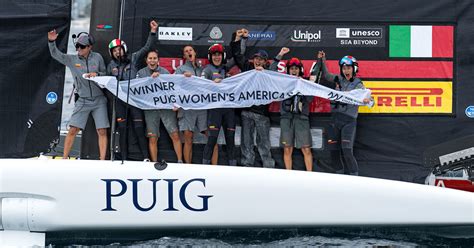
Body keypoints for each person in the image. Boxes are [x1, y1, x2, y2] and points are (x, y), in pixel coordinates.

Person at [48, 30, 109, 160]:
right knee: (73, 130)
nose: (79, 49)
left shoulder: (97, 57)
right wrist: (51, 41)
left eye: (82, 46)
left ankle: (102, 161)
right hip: (83, 100)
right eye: (77, 46)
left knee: (102, 131)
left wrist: (97, 75)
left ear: (89, 47)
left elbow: (105, 74)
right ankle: (65, 159)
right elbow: (55, 54)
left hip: (99, 100)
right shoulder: (72, 59)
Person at [311, 51, 371, 176]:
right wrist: (322, 59)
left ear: (354, 68)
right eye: (344, 68)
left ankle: (354, 177)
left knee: (347, 151)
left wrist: (367, 100)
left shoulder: (358, 84)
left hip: (349, 121)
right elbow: (326, 75)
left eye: (348, 68)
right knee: (333, 151)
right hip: (335, 120)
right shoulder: (337, 79)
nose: (346, 70)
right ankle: (339, 177)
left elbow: (370, 100)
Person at [106, 20, 158, 161]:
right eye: (115, 51)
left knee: (139, 129)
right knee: (122, 130)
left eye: (119, 49)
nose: (118, 52)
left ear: (124, 49)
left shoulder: (134, 59)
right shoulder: (111, 66)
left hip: (134, 101)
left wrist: (153, 32)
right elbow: (106, 83)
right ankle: (123, 159)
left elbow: (147, 48)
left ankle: (146, 158)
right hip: (119, 103)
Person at [231, 28, 276, 168]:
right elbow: (238, 55)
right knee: (246, 142)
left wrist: (266, 73)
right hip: (246, 112)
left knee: (264, 143)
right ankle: (247, 166)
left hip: (262, 114)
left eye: (261, 59)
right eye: (256, 58)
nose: (258, 61)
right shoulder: (248, 68)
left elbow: (281, 83)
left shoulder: (270, 73)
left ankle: (268, 167)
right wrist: (240, 39)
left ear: (265, 62)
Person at [136, 50, 183, 163]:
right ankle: (154, 163)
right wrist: (150, 80)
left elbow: (171, 90)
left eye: (154, 58)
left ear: (158, 60)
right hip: (150, 109)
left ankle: (180, 161)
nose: (152, 61)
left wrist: (175, 103)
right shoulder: (141, 73)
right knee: (153, 137)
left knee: (175, 134)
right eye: (150, 58)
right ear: (146, 60)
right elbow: (137, 90)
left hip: (165, 107)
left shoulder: (165, 71)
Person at [174, 45, 218, 164]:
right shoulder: (180, 69)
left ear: (194, 53)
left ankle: (214, 167)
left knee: (211, 137)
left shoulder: (202, 69)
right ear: (184, 56)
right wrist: (183, 78)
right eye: (186, 51)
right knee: (188, 138)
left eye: (190, 50)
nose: (189, 52)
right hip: (188, 109)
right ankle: (188, 167)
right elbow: (174, 87)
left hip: (202, 108)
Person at [275, 50, 314, 171]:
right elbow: (270, 72)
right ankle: (288, 177)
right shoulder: (282, 83)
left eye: (296, 69)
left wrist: (307, 86)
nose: (294, 71)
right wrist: (280, 55)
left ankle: (310, 175)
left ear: (300, 70)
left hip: (301, 118)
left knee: (306, 148)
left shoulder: (305, 83)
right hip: (286, 118)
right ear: (287, 70)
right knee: (287, 148)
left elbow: (310, 99)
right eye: (291, 68)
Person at [201, 43, 237, 166]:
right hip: (215, 110)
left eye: (219, 55)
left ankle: (233, 169)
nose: (217, 57)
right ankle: (205, 168)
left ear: (223, 56)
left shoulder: (227, 68)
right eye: (214, 55)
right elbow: (200, 87)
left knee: (231, 140)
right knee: (212, 140)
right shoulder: (207, 70)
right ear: (210, 57)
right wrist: (212, 83)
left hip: (228, 109)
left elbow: (238, 55)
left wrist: (239, 39)